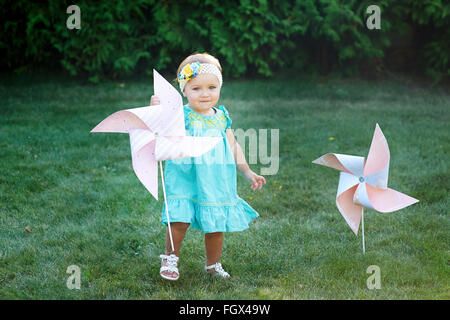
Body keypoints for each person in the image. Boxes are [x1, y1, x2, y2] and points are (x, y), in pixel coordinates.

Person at [150, 52, 266, 280]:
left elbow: (233, 146)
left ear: (220, 88)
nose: (205, 94)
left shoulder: (221, 117)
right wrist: (156, 109)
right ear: (184, 90)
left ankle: (213, 264)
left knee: (215, 227)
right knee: (179, 220)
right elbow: (159, 128)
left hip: (215, 178)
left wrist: (247, 171)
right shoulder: (180, 114)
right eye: (196, 88)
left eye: (212, 87)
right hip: (185, 175)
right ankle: (170, 258)